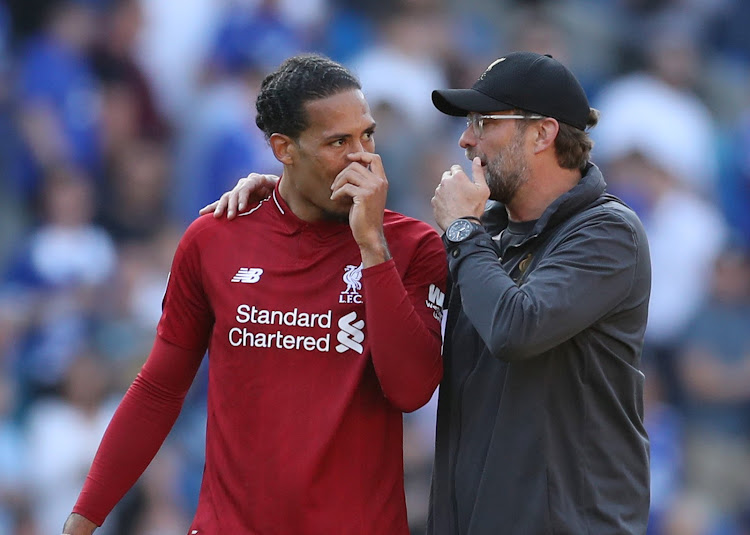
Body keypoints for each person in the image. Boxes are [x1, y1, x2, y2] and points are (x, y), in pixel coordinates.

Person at [211, 51, 652, 534]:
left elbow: (516, 328)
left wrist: (463, 229)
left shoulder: (607, 233)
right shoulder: (490, 238)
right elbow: (379, 264)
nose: (466, 140)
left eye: (484, 122)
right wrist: (290, 197)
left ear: (543, 133)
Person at [61, 54, 447, 534]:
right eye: (337, 142)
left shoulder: (412, 247)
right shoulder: (214, 239)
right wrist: (83, 520)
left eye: (367, 135)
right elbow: (159, 389)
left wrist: (372, 246)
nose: (361, 157)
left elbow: (411, 389)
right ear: (284, 148)